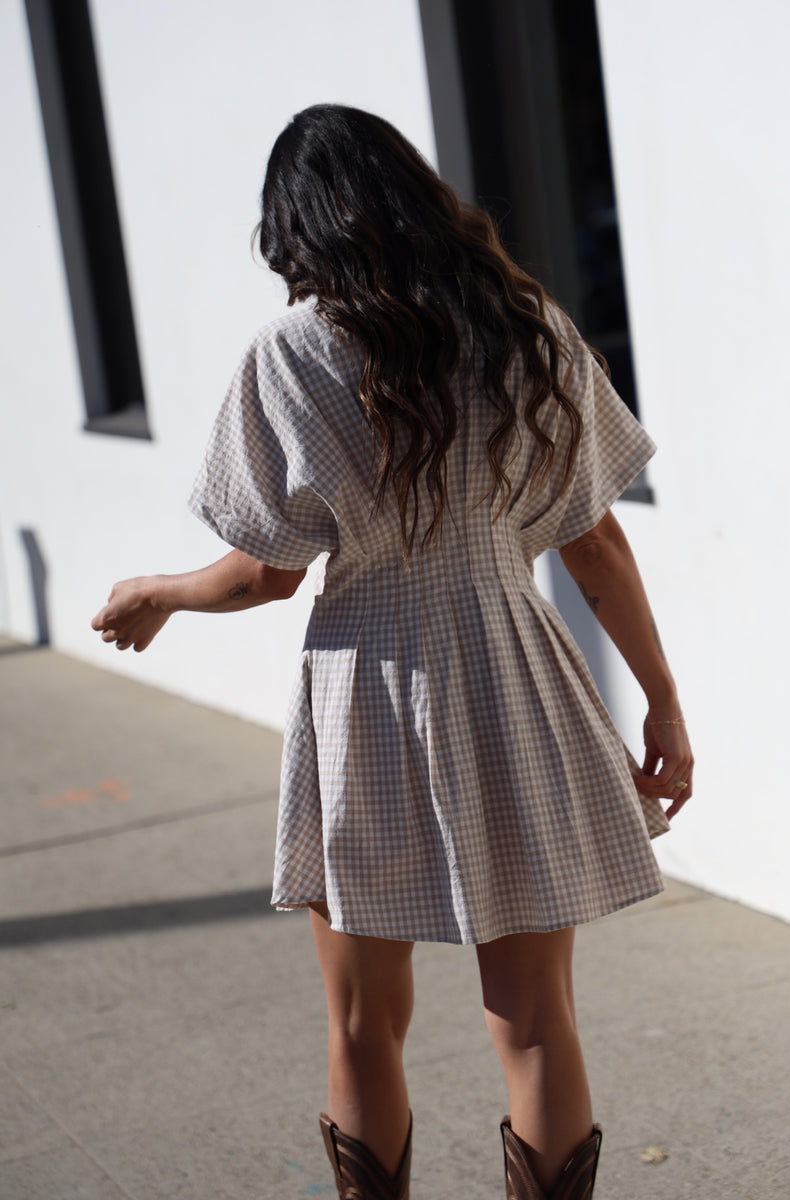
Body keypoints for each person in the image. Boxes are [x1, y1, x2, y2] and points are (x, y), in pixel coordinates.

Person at [92, 104, 693, 1200]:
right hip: (515, 669)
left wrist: (161, 594)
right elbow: (595, 540)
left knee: (364, 1025)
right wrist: (660, 705)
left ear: (297, 229)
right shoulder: (525, 327)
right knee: (536, 1025)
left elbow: (265, 572)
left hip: (365, 686)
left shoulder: (288, 355)